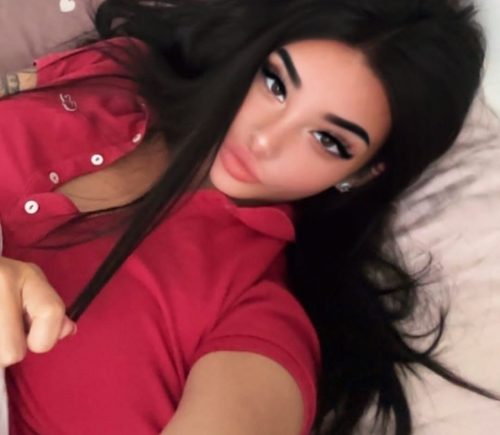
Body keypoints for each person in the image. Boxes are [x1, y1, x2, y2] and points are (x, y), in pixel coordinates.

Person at [0, 0, 497, 434]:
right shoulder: (115, 70)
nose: (265, 139)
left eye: (328, 140)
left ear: (363, 173)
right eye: (275, 83)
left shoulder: (258, 318)